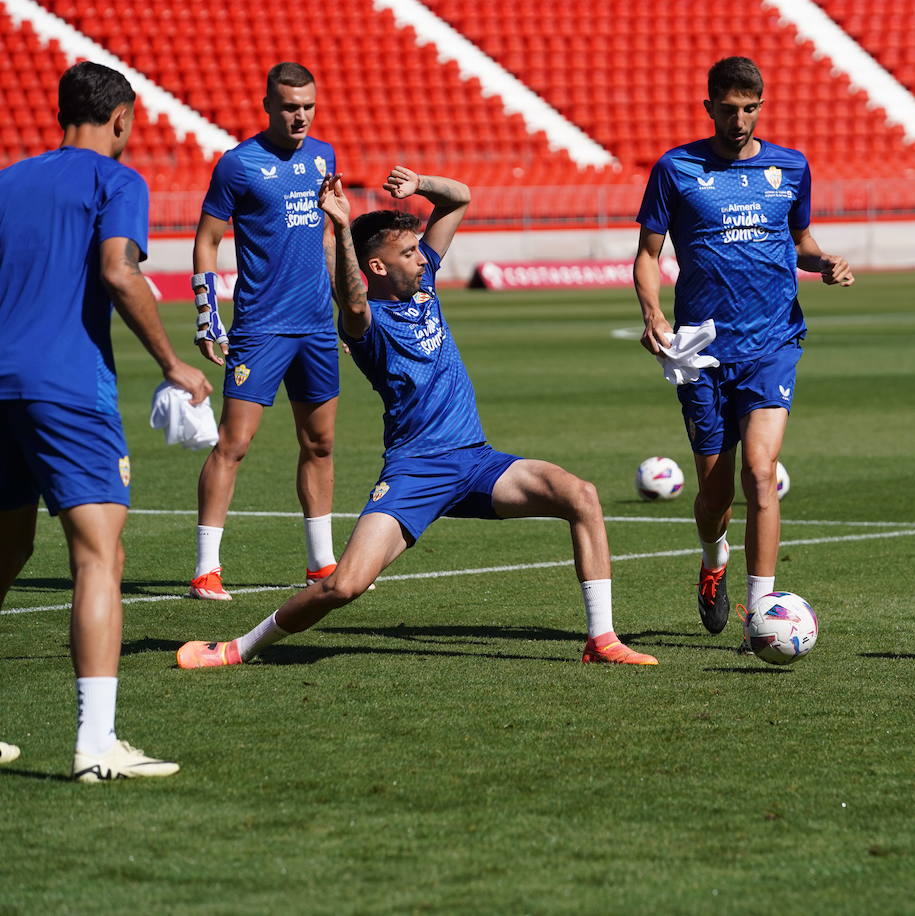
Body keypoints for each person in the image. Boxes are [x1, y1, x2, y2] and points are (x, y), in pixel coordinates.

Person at [175, 167, 657, 669]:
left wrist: (421, 183)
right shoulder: (369, 324)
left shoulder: (422, 282)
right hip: (417, 470)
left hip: (477, 462)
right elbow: (352, 299)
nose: (421, 260)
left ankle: (601, 641)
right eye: (407, 254)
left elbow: (461, 198)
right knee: (344, 585)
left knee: (580, 495)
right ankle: (235, 648)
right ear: (378, 267)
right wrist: (341, 229)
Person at [0, 62, 212, 779]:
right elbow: (120, 271)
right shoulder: (117, 181)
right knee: (99, 557)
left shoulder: (7, 180)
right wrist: (172, 363)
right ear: (121, 119)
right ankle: (97, 745)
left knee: (6, 551)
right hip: (65, 387)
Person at [632, 57, 854, 646]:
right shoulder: (676, 168)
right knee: (716, 493)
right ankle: (713, 561)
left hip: (773, 342)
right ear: (709, 108)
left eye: (749, 109)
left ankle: (761, 612)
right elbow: (650, 253)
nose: (739, 120)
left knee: (761, 474)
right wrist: (653, 311)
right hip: (701, 350)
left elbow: (800, 240)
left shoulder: (791, 166)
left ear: (762, 105)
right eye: (727, 109)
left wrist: (824, 261)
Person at [187, 62, 341, 601]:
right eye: (289, 107)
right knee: (235, 443)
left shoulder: (325, 156)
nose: (300, 116)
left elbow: (325, 236)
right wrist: (208, 316)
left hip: (317, 326)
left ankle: (321, 563)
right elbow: (207, 239)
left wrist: (344, 305)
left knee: (319, 443)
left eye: (308, 107)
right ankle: (207, 568)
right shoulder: (238, 165)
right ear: (268, 106)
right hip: (261, 327)